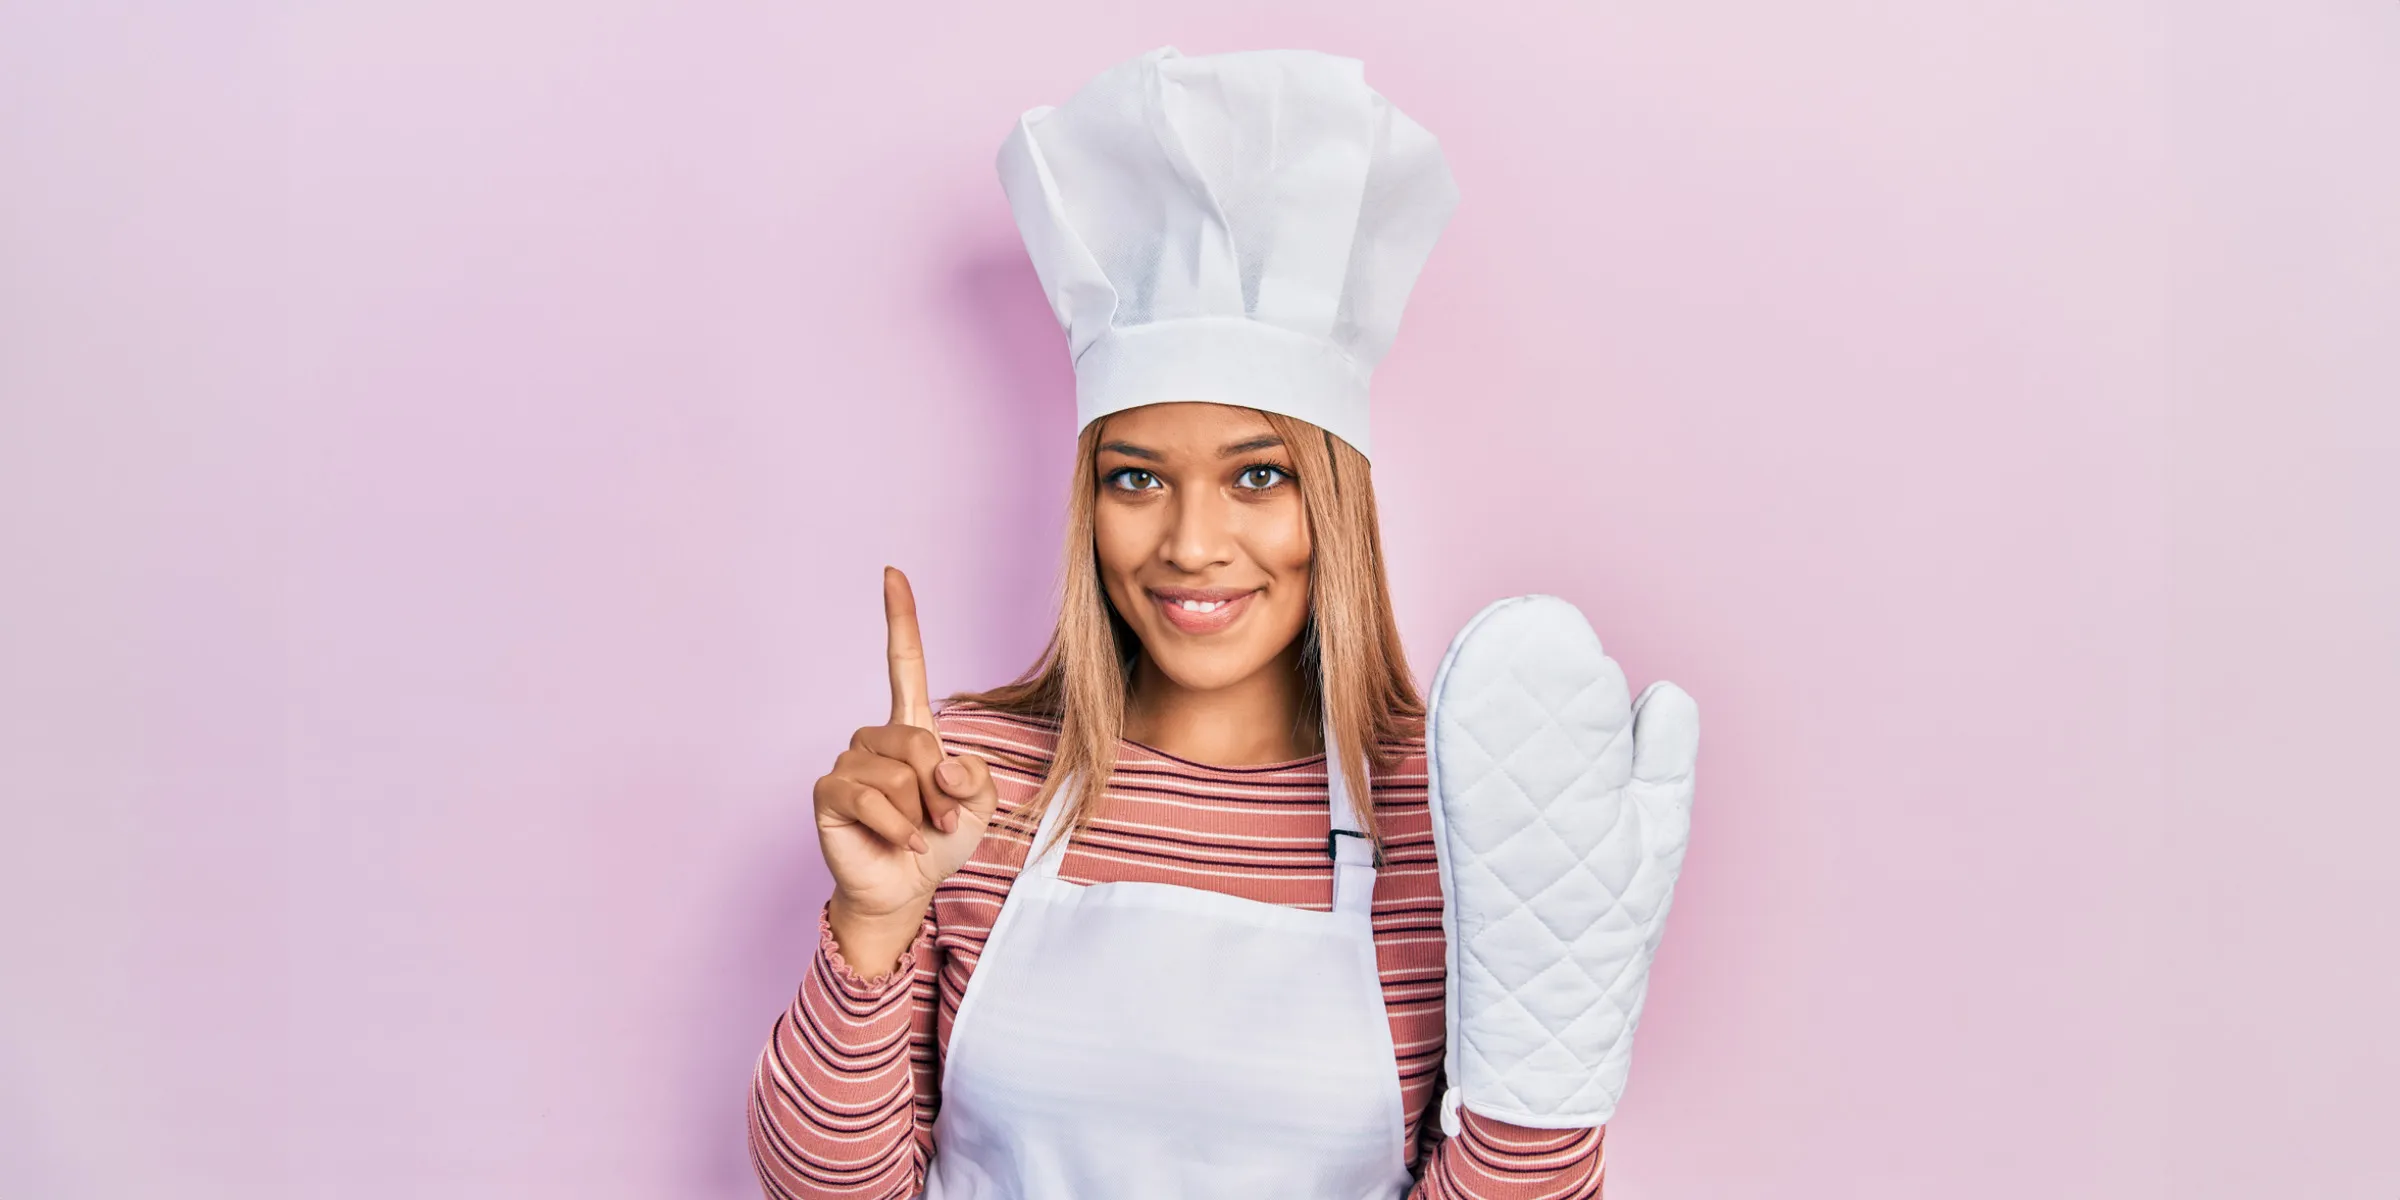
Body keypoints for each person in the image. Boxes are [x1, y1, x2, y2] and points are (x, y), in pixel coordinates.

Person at [748, 47, 1608, 1198]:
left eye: (1257, 478)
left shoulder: (1450, 821)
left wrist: (1557, 1046)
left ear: (1333, 504)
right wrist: (871, 921)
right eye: (1137, 478)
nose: (1191, 543)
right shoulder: (967, 787)